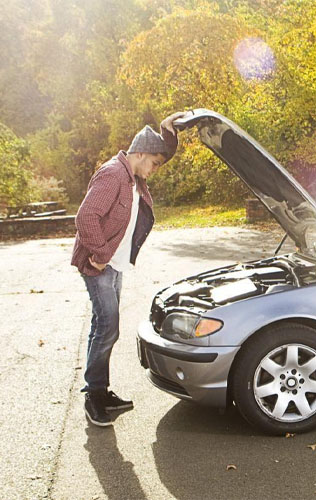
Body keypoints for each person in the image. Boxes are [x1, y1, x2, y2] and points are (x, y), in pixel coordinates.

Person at [71, 111, 186, 427]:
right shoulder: (113, 175)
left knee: (104, 326)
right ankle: (94, 396)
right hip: (100, 267)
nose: (154, 170)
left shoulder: (133, 176)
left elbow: (160, 153)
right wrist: (102, 253)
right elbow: (85, 218)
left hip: (114, 266)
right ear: (140, 154)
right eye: (154, 163)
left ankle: (99, 390)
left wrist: (167, 133)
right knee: (107, 327)